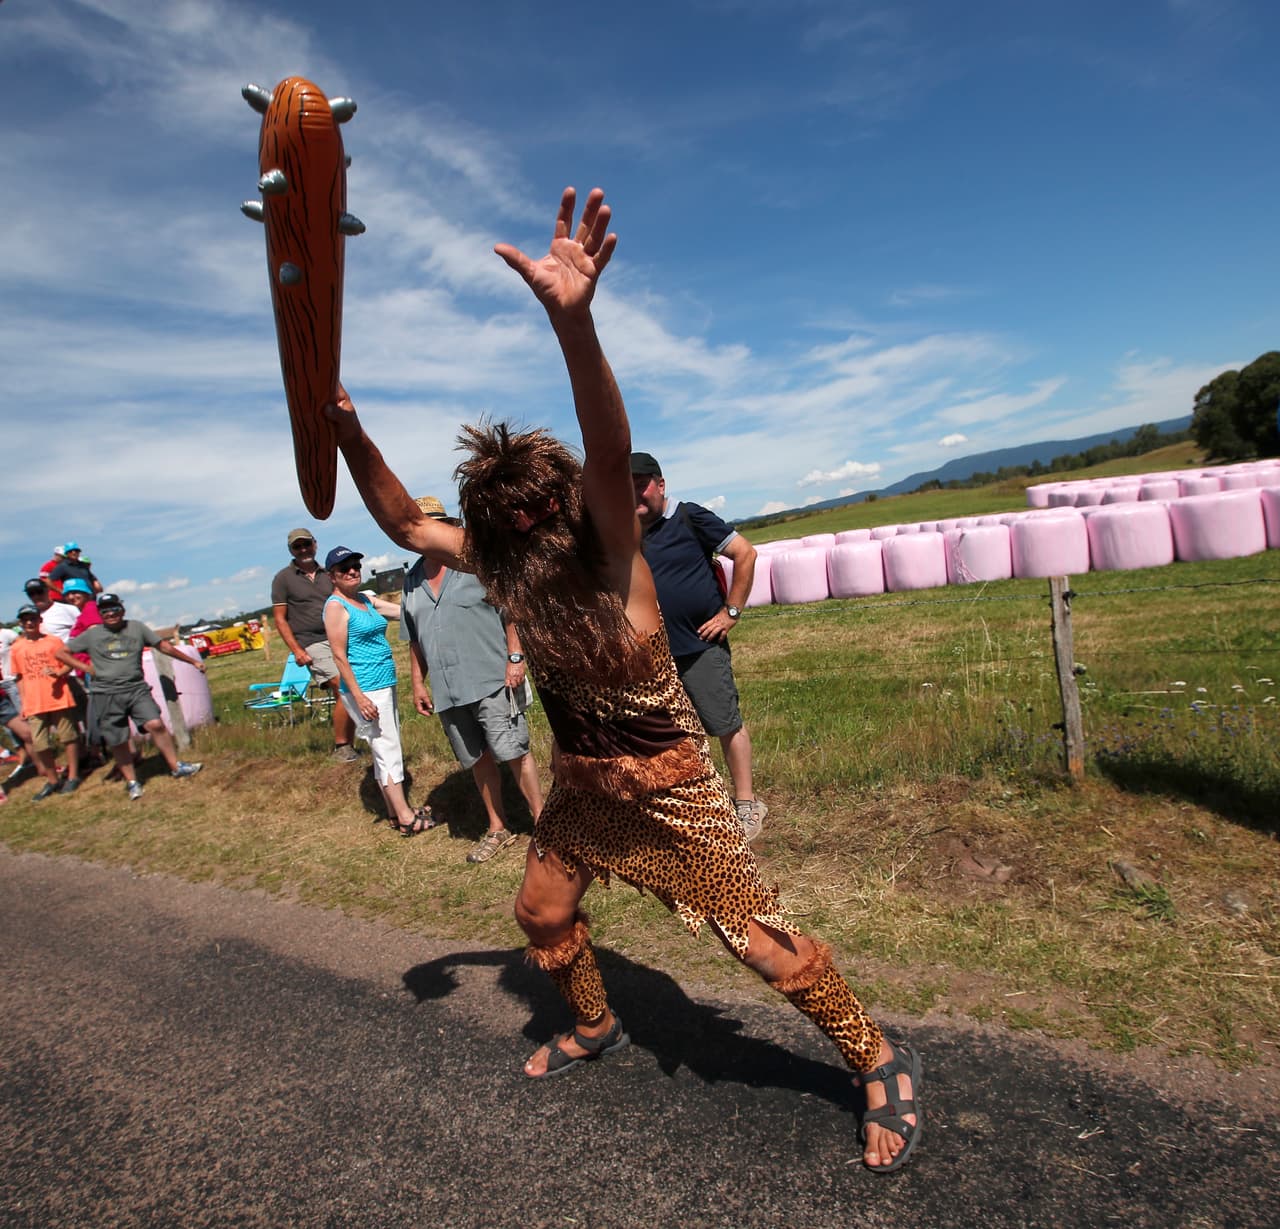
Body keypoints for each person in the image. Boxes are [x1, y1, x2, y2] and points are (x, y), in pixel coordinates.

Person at [325, 188, 921, 1173]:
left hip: (675, 791)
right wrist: (345, 425)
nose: (528, 529)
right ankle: (595, 1023)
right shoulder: (510, 564)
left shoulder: (610, 555)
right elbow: (400, 524)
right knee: (539, 912)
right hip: (582, 789)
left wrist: (574, 322)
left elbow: (607, 444)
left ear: (563, 503)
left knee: (760, 946)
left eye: (542, 508)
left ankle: (877, 1058)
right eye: (509, 519)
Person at [631, 452, 766, 840]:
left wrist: (731, 612)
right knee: (672, 735)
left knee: (724, 723)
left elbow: (746, 553)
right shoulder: (626, 532)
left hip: (699, 646)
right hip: (652, 655)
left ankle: (746, 804)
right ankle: (697, 805)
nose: (635, 493)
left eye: (641, 484)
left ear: (660, 484)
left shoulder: (689, 516)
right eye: (628, 487)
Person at [402, 495, 544, 863]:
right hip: (448, 691)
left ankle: (545, 824)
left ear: (447, 526)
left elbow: (511, 610)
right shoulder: (411, 581)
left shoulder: (475, 563)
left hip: (491, 678)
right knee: (477, 759)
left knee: (514, 751)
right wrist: (418, 683)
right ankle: (498, 828)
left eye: (435, 524)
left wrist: (515, 657)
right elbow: (415, 640)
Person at [322, 546, 434, 836]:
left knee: (383, 748)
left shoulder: (366, 600)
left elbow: (403, 611)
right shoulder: (336, 607)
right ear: (332, 576)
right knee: (387, 749)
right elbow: (338, 657)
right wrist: (359, 698)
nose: (352, 571)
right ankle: (407, 818)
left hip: (383, 682)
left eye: (355, 565)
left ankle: (395, 813)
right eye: (344, 568)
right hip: (365, 688)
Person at [51, 592, 203, 800]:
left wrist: (193, 662)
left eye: (114, 608)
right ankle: (132, 782)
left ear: (121, 609)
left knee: (155, 724)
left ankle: (176, 766)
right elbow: (61, 653)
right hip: (106, 694)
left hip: (136, 689)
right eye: (105, 610)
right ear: (100, 613)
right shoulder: (92, 634)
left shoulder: (136, 628)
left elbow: (163, 646)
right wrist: (86, 668)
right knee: (118, 738)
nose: (110, 613)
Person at [271, 528, 360, 762]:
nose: (303, 550)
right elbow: (279, 619)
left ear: (315, 544)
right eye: (297, 547)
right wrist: (297, 650)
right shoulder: (283, 579)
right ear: (291, 550)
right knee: (343, 687)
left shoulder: (329, 573)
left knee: (355, 684)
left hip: (339, 637)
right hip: (311, 642)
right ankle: (342, 746)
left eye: (306, 544)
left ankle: (358, 735)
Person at [9, 603, 83, 798]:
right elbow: (18, 677)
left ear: (40, 621)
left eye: (33, 618)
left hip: (59, 697)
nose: (30, 622)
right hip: (34, 702)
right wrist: (23, 704)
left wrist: (58, 673)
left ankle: (73, 776)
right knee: (40, 744)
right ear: (21, 623)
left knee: (69, 737)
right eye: (25, 620)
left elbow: (69, 664)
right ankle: (52, 780)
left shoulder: (54, 642)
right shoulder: (16, 648)